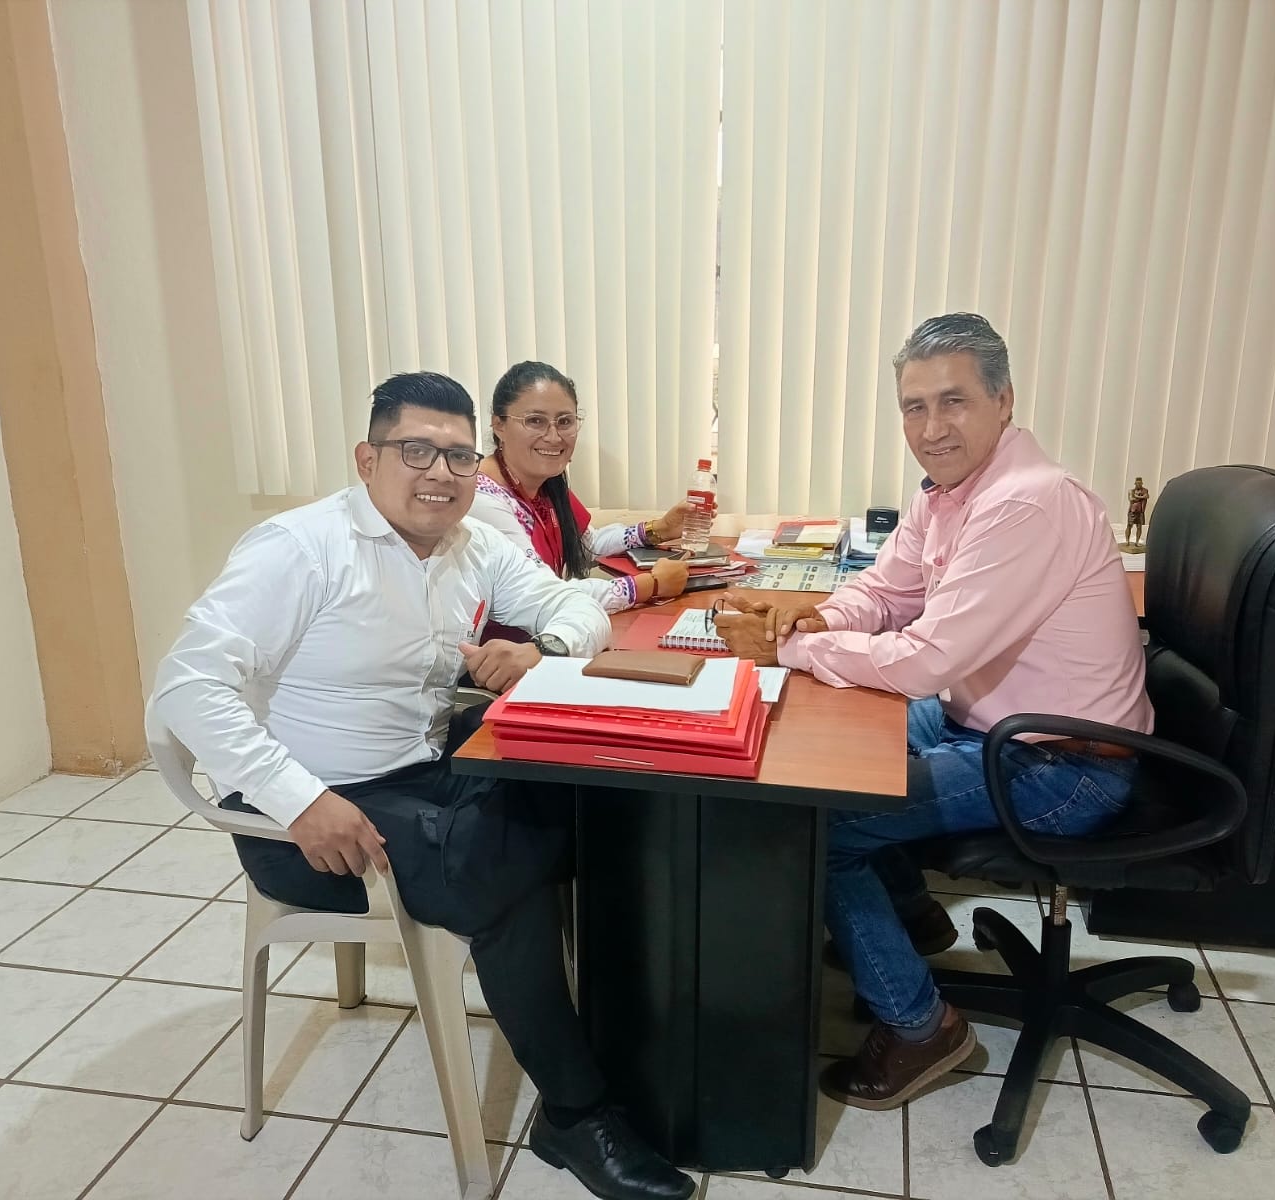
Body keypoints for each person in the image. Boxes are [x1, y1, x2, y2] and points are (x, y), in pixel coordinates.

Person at [151, 372, 694, 1200]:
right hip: (313, 820)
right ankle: (579, 1112)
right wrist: (300, 800)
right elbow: (187, 687)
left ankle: (609, 1061)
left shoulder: (472, 543)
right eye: (416, 451)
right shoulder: (299, 548)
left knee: (602, 794)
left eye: (458, 456)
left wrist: (543, 647)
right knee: (502, 868)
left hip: (426, 774)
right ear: (367, 459)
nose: (440, 473)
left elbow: (576, 605)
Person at [711, 313, 1152, 1111]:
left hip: (1062, 763)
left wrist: (788, 650)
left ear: (1003, 401)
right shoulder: (950, 492)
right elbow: (887, 591)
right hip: (985, 720)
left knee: (818, 825)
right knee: (829, 744)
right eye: (914, 407)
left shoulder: (1025, 505)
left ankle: (922, 1027)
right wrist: (816, 617)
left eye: (953, 402)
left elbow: (927, 659)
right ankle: (909, 923)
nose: (931, 427)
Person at [466, 361, 692, 635]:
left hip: (546, 636)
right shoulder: (481, 498)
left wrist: (660, 529)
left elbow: (586, 546)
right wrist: (651, 584)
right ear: (498, 425)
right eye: (535, 421)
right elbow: (545, 595)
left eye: (565, 422)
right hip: (502, 650)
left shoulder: (546, 483)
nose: (553, 437)